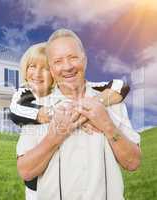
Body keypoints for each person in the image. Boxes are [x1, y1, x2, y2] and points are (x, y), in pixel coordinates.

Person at [16, 29, 141, 200]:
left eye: (73, 57)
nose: (67, 67)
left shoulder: (113, 102)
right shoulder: (38, 108)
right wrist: (54, 137)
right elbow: (25, 171)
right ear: (51, 69)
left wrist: (107, 125)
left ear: (85, 60)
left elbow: (133, 163)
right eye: (58, 61)